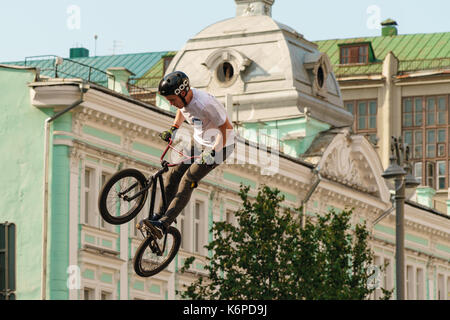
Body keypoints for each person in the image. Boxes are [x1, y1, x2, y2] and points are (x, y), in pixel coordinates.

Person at [142, 71, 235, 239]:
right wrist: (173, 128)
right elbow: (182, 110)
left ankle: (164, 225)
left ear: (183, 93)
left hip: (222, 146)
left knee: (188, 180)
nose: (171, 104)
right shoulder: (184, 102)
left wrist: (214, 151)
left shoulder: (205, 104)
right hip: (199, 142)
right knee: (172, 175)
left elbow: (227, 128)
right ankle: (158, 217)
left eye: (172, 100)